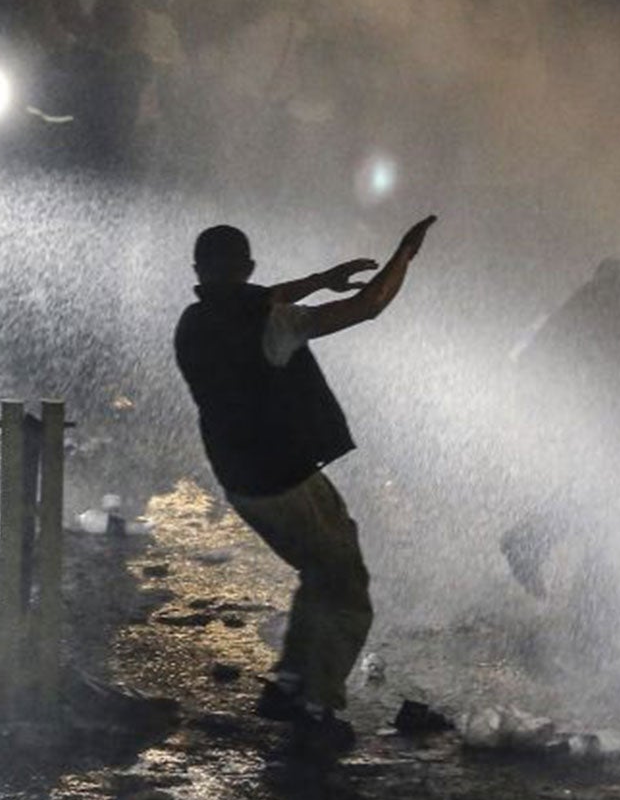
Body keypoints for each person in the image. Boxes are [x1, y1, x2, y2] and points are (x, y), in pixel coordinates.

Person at [173, 214, 436, 754]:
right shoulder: (275, 325)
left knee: (322, 565)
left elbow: (248, 299)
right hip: (283, 479)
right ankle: (317, 705)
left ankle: (290, 682)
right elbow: (369, 306)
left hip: (242, 478)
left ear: (198, 271)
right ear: (248, 268)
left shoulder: (193, 322)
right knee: (345, 584)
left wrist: (320, 278)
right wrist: (403, 255)